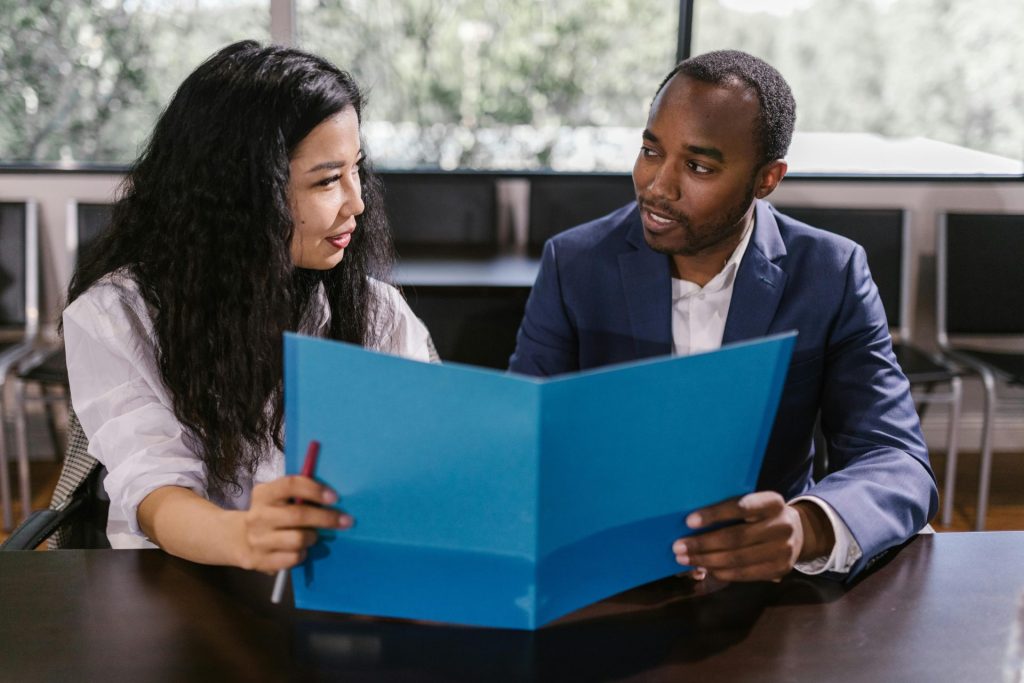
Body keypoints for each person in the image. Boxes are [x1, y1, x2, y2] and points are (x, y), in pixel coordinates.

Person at [509, 50, 937, 582]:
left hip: (765, 588)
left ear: (767, 179)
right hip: (607, 573)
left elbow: (897, 459)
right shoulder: (574, 264)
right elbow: (525, 442)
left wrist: (804, 527)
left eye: (698, 167)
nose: (658, 186)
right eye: (650, 151)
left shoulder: (831, 273)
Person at [62, 41, 435, 572]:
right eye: (327, 180)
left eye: (356, 169)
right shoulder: (119, 315)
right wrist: (243, 537)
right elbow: (156, 491)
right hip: (179, 586)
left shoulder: (376, 312)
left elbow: (418, 463)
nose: (357, 202)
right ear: (240, 195)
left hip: (335, 580)